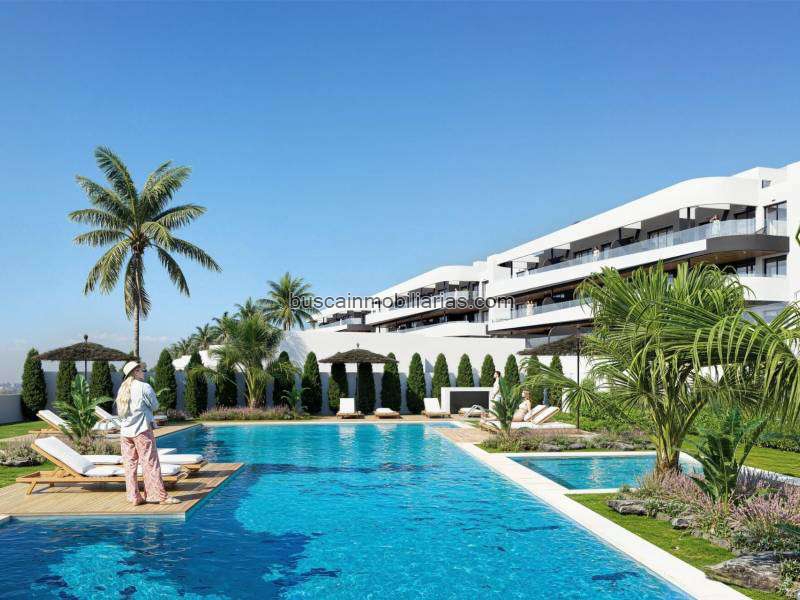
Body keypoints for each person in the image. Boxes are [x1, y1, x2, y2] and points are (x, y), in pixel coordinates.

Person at [115, 361, 179, 506]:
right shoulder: (144, 387)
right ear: (135, 372)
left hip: (125, 433)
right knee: (150, 463)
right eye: (142, 370)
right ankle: (160, 497)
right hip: (141, 431)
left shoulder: (122, 389)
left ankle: (134, 497)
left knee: (129, 465)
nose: (144, 372)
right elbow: (155, 406)